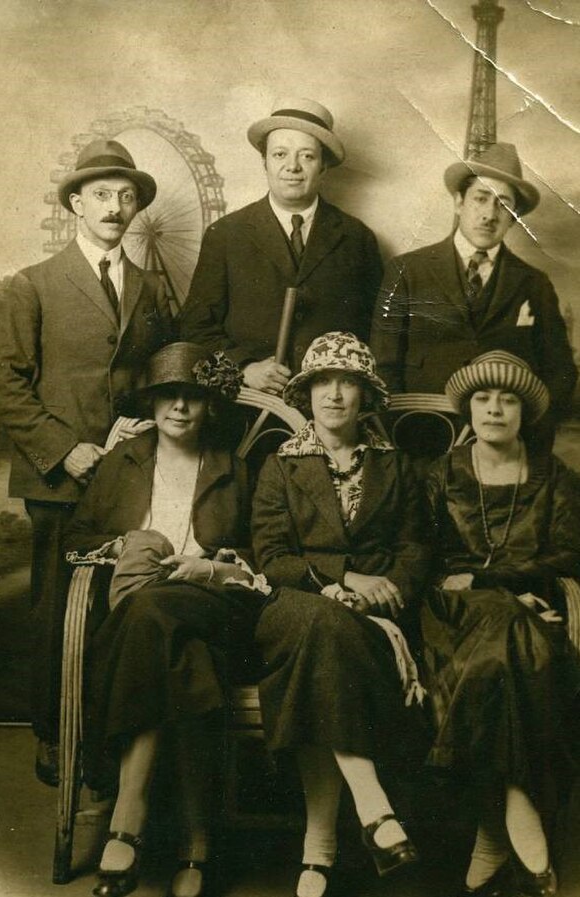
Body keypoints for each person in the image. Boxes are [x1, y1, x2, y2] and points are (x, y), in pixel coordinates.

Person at [0, 139, 175, 785]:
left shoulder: (151, 287)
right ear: (75, 203)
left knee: (121, 604)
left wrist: (135, 432)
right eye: (101, 194)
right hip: (60, 479)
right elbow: (7, 386)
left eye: (126, 196)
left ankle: (110, 739)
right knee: (55, 610)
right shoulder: (32, 285)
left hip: (129, 472)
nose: (115, 207)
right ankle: (53, 733)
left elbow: (160, 375)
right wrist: (67, 450)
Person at [65, 342, 268, 897]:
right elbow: (76, 541)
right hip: (151, 620)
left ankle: (125, 819)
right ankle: (198, 842)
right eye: (168, 396)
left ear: (209, 407)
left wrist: (207, 567)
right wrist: (124, 546)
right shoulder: (121, 463)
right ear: (151, 405)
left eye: (193, 397)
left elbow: (262, 556)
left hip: (215, 607)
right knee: (181, 655)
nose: (179, 408)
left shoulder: (236, 467)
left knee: (152, 612)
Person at [251, 331, 430, 897]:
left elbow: (416, 546)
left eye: (347, 384)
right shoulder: (280, 465)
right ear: (306, 395)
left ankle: (317, 852)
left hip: (369, 625)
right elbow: (274, 559)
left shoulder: (393, 465)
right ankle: (373, 806)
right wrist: (342, 582)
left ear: (365, 398)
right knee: (321, 625)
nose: (334, 395)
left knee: (324, 649)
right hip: (292, 609)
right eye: (323, 383)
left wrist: (389, 589)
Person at [421, 350, 580, 897]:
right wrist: (508, 597)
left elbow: (567, 554)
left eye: (508, 399)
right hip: (451, 617)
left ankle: (493, 825)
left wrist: (503, 587)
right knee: (514, 641)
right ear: (467, 409)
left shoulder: (555, 477)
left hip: (525, 613)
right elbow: (427, 559)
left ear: (524, 413)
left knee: (509, 653)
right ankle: (514, 807)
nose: (494, 409)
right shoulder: (441, 474)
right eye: (483, 399)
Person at [370, 143, 577, 450]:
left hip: (505, 451)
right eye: (480, 199)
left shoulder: (535, 284)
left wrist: (528, 432)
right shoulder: (406, 271)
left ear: (514, 217)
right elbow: (383, 364)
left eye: (503, 205)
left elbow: (560, 371)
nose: (489, 214)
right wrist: (401, 433)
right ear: (458, 202)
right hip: (420, 439)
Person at [181, 97, 382, 395]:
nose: (292, 167)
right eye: (279, 154)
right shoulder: (225, 234)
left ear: (324, 165)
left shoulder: (357, 238)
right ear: (264, 161)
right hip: (249, 408)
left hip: (328, 411)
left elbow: (376, 332)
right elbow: (195, 328)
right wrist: (245, 368)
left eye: (307, 157)